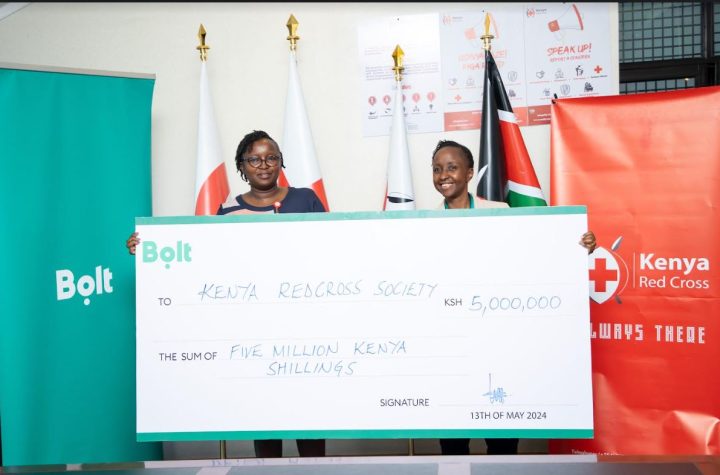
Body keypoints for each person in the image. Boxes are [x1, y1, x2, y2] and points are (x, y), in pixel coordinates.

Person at [127, 130, 326, 458]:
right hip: (254, 332)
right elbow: (206, 266)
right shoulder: (228, 211)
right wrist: (149, 246)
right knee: (265, 419)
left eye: (271, 157)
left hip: (302, 328)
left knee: (308, 417)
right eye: (254, 159)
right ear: (241, 166)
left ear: (281, 162)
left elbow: (336, 251)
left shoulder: (306, 199)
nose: (264, 165)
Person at [430, 139, 596, 456]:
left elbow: (535, 255)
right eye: (437, 169)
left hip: (499, 344)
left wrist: (576, 245)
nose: (443, 175)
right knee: (452, 442)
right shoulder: (424, 222)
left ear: (469, 172)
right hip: (452, 347)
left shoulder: (500, 213)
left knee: (502, 441)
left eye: (452, 167)